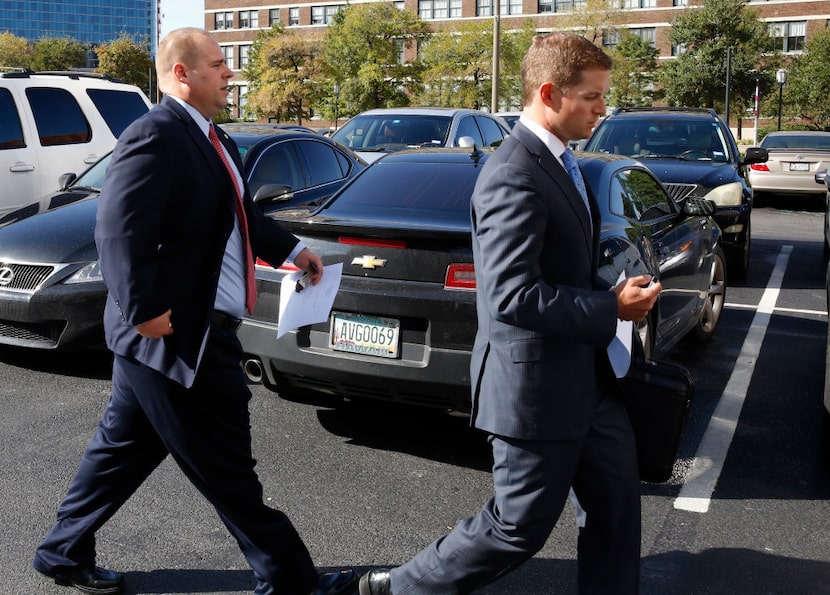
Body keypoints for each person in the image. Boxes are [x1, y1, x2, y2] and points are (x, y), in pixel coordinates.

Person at [32, 28, 357, 595]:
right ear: (182, 74)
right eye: (217, 64)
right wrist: (144, 311)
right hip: (179, 335)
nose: (229, 73)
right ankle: (289, 579)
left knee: (120, 451)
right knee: (228, 466)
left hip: (185, 334)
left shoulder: (215, 140)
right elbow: (118, 229)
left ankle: (61, 552)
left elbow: (240, 217)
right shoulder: (155, 135)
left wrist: (293, 250)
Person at [359, 33, 662, 595]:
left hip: (590, 381)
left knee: (617, 511)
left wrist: (613, 291)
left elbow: (558, 267)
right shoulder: (513, 173)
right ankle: (395, 589)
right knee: (516, 529)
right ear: (549, 93)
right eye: (593, 97)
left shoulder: (563, 162)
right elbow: (511, 296)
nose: (603, 109)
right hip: (535, 390)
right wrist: (611, 306)